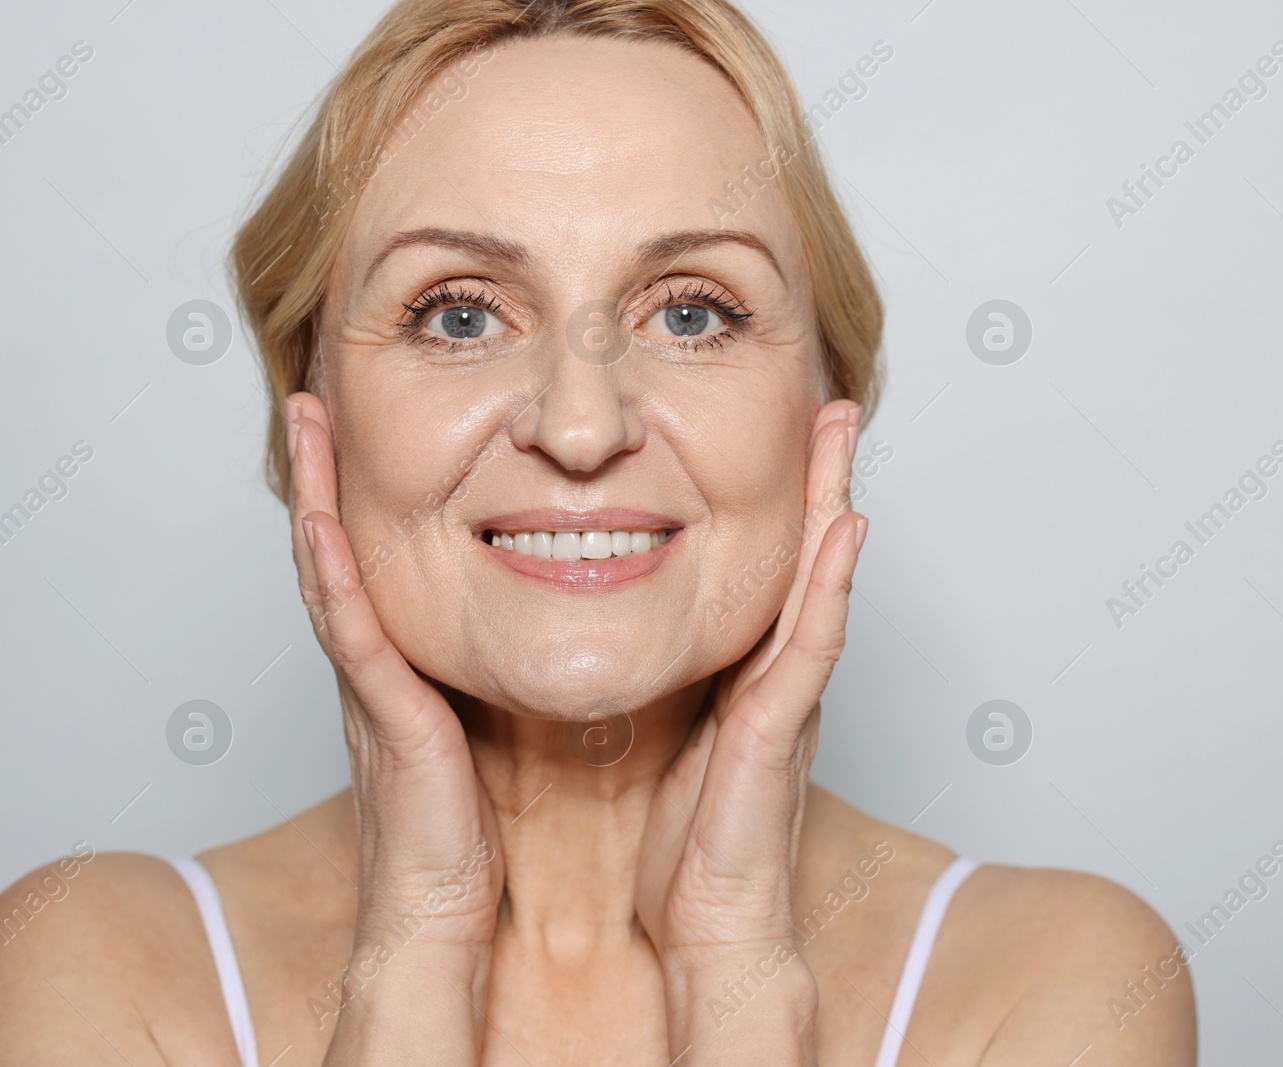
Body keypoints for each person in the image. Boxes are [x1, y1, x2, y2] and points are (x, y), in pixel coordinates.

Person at [0, 1, 1195, 1063]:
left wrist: (733, 967)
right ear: (310, 414)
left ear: (827, 414)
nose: (580, 425)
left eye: (690, 310)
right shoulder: (92, 968)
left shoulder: (1053, 983)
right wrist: (412, 964)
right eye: (459, 314)